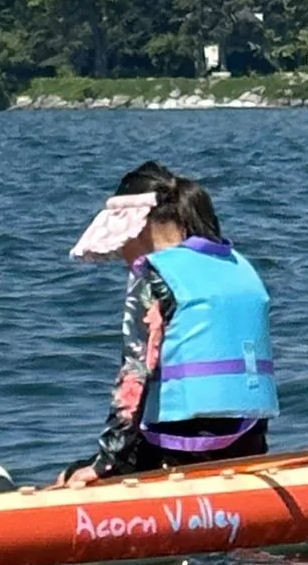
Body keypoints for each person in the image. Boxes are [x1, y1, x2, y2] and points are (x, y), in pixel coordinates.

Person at [66, 163, 278, 480]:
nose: (121, 251)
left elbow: (134, 376)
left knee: (75, 473)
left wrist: (104, 463)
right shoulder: (240, 266)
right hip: (248, 442)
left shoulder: (153, 275)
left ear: (138, 227)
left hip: (177, 448)